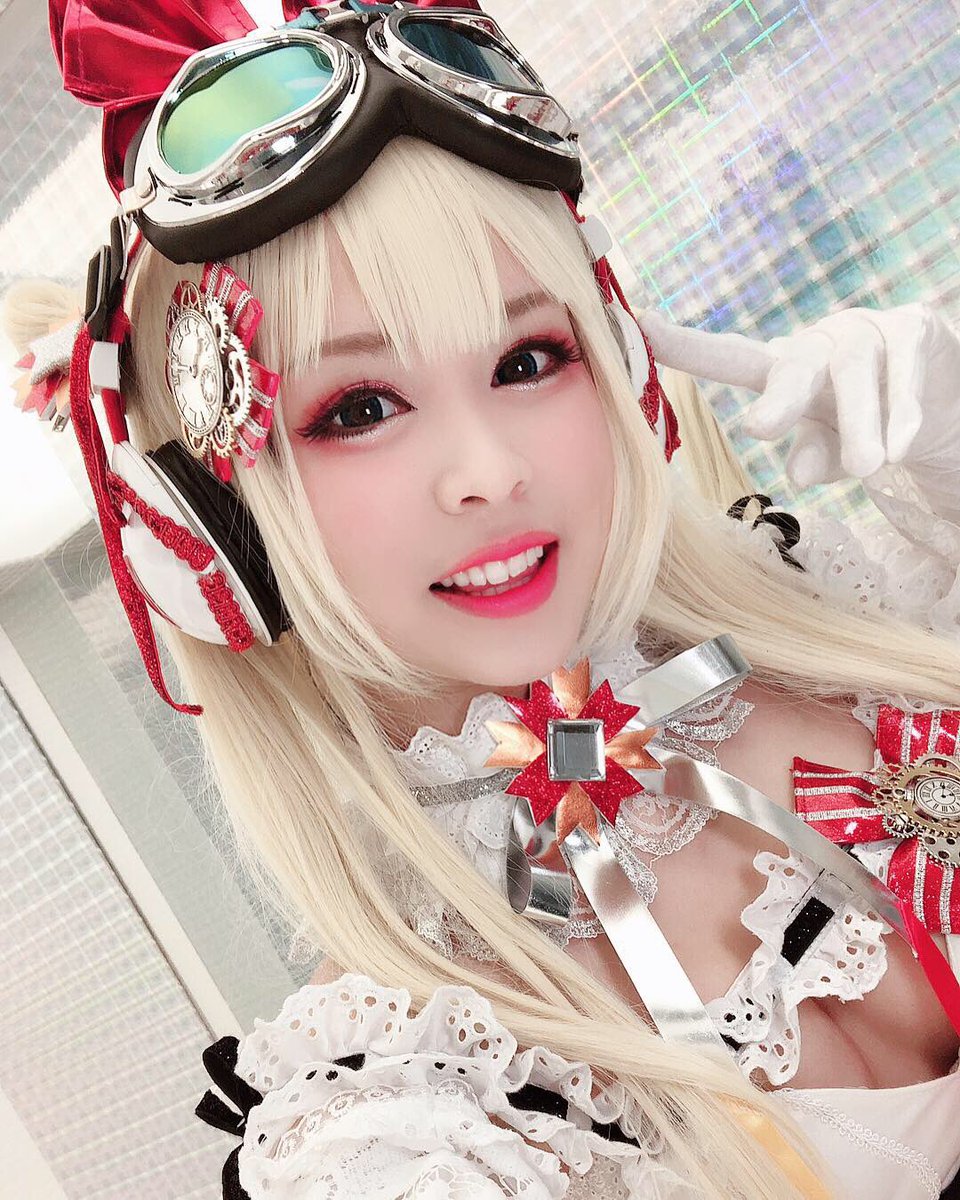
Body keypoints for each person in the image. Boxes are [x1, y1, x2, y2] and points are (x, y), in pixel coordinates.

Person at [13, 1, 960, 1197]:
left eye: (526, 361)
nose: (491, 472)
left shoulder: (852, 616)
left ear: (621, 361)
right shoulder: (403, 1109)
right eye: (360, 409)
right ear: (202, 534)